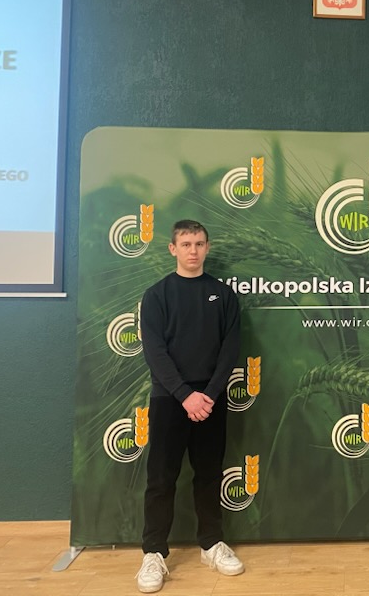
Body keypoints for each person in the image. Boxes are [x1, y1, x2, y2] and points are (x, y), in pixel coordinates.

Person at [135, 220, 244, 593]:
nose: (193, 250)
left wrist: (208, 394)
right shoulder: (157, 295)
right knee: (161, 479)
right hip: (169, 399)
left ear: (207, 247)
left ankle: (211, 545)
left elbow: (230, 349)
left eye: (199, 243)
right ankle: (153, 553)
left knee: (209, 474)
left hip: (211, 400)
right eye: (185, 244)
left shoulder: (223, 295)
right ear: (173, 249)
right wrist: (184, 395)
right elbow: (155, 352)